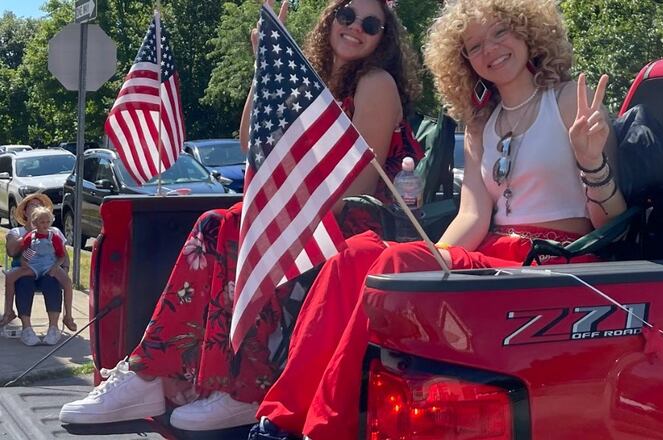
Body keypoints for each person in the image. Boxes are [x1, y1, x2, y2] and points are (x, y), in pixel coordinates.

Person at [250, 0, 626, 439]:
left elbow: (611, 223)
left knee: (397, 264)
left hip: (552, 264)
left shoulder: (568, 101)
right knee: (355, 255)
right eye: (474, 45)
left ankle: (324, 429)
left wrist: (591, 161)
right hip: (493, 255)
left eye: (500, 33)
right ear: (464, 60)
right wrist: (433, 259)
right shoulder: (482, 122)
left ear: (528, 32)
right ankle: (281, 419)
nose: (490, 50)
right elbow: (473, 216)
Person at [60, 0, 424, 431]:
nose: (356, 28)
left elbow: (358, 186)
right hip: (304, 213)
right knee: (219, 223)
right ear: (331, 19)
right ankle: (160, 374)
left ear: (384, 38)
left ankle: (240, 387)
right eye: (347, 15)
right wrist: (261, 69)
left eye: (371, 24)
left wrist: (281, 213)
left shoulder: (374, 82)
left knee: (232, 225)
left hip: (356, 222)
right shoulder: (316, 80)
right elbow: (252, 141)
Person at [1, 194, 70, 346]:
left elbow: (63, 255)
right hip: (27, 270)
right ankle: (26, 329)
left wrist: (62, 269)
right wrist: (32, 234)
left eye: (39, 204)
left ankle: (54, 328)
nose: (36, 207)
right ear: (26, 212)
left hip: (48, 269)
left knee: (51, 281)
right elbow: (12, 252)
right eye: (32, 205)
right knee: (24, 282)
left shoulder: (54, 232)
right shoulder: (17, 232)